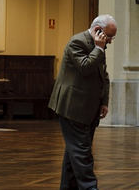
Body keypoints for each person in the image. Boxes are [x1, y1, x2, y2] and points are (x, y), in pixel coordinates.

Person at [48, 14, 116, 190]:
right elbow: (85, 67)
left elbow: (104, 75)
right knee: (82, 153)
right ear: (97, 30)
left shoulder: (98, 45)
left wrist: (104, 101)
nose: (109, 41)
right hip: (72, 107)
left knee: (74, 153)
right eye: (109, 36)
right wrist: (99, 49)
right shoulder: (77, 42)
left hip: (90, 107)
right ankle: (90, 187)